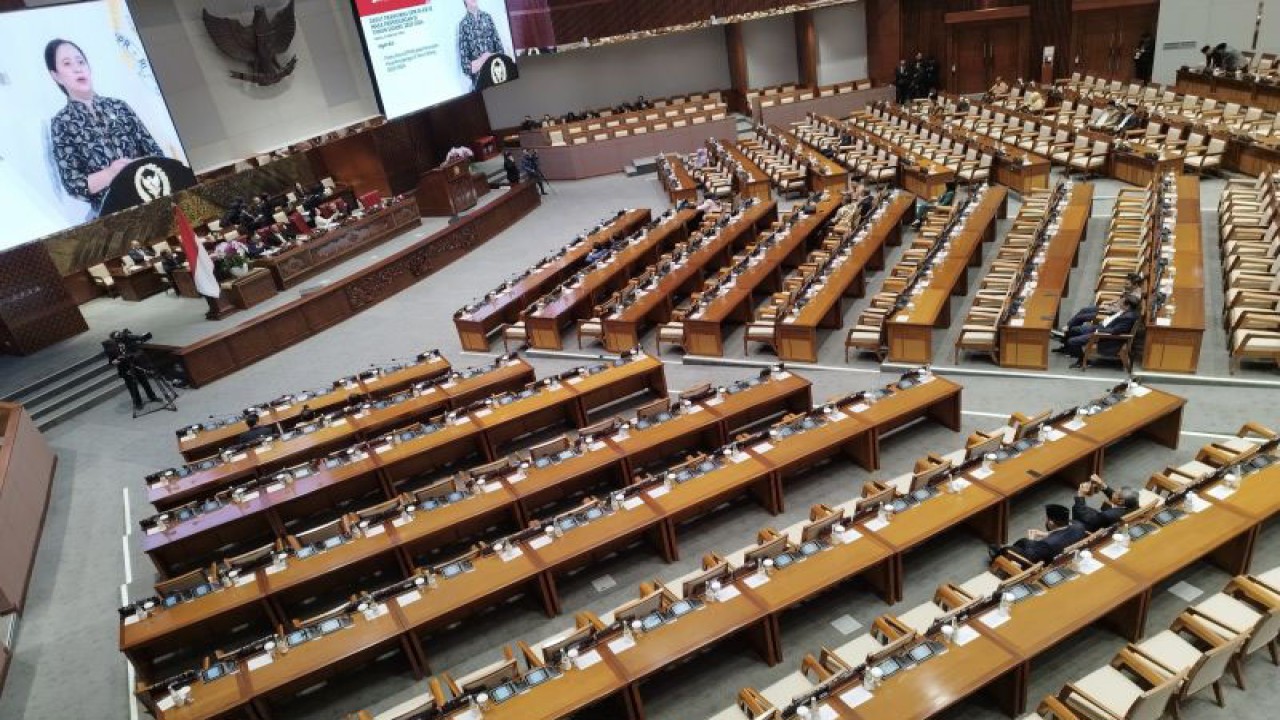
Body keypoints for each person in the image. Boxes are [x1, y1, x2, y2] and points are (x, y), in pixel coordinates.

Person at [46, 38, 164, 218]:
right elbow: (74, 185)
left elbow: (156, 154)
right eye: (67, 64)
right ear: (56, 75)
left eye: (80, 61)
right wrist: (111, 172)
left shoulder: (119, 106)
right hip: (111, 216)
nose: (78, 68)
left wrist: (134, 167)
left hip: (151, 199)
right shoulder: (61, 123)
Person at [1060, 295, 1141, 367]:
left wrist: (1098, 330)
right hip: (1101, 328)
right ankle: (1070, 351)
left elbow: (1115, 331)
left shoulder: (1128, 317)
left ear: (1128, 306)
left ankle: (1082, 360)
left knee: (1072, 341)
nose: (1120, 304)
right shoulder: (1128, 312)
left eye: (1122, 303)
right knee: (1073, 329)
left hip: (1103, 336)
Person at [993, 504, 1086, 564]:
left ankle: (997, 555)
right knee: (1023, 542)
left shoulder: (1047, 544)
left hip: (1046, 559)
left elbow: (1030, 556)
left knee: (1018, 545)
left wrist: (1031, 540)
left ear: (1051, 523)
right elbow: (1063, 534)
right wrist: (1047, 534)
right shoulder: (1079, 526)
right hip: (1065, 551)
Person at [1056, 274, 1143, 336]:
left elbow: (1123, 311)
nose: (1125, 285)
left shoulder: (1135, 297)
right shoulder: (1131, 289)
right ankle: (1068, 328)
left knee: (1081, 317)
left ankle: (1068, 331)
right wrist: (1110, 302)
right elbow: (1121, 299)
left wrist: (1106, 307)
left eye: (1127, 284)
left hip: (1111, 313)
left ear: (1135, 285)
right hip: (1111, 308)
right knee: (1084, 310)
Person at [458, 0, 507, 88]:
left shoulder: (487, 18)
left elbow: (501, 51)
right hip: (480, 83)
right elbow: (466, 67)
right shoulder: (463, 25)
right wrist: (483, 59)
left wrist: (489, 57)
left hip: (496, 78)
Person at [1073, 475, 1141, 532]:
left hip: (1092, 527)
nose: (1113, 493)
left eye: (1115, 493)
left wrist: (1080, 495)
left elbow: (1089, 519)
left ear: (1121, 502)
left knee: (1077, 508)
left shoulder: (1108, 515)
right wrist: (1102, 484)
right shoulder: (1134, 503)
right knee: (1082, 508)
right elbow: (1116, 498)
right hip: (1107, 521)